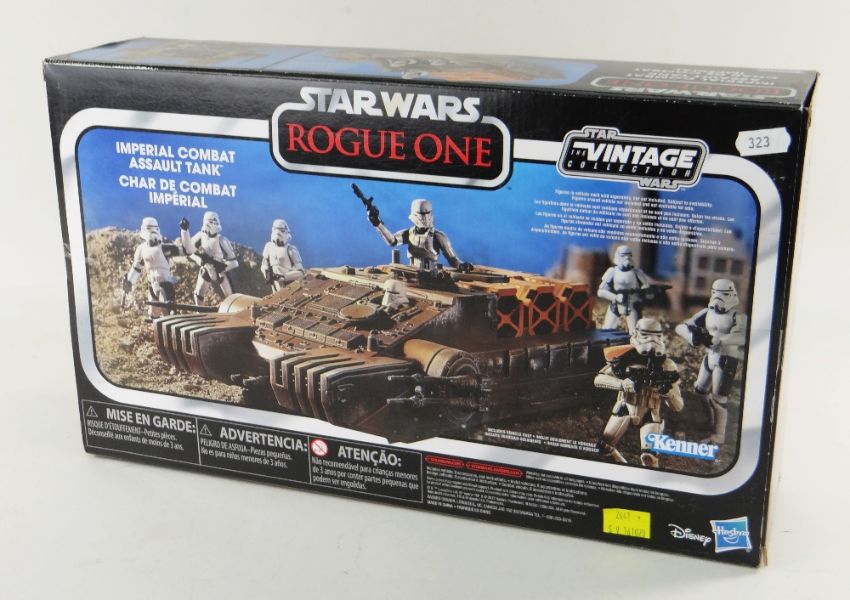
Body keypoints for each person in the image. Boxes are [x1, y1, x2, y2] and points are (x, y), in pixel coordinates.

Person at [595, 317, 684, 468]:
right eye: (646, 335)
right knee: (604, 448)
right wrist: (622, 384)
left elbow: (678, 406)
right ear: (635, 335)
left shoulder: (667, 365)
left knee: (649, 457)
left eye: (657, 336)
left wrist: (668, 393)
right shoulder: (625, 358)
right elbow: (598, 379)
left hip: (651, 414)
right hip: (624, 408)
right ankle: (625, 470)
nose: (652, 340)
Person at [675, 279, 747, 444]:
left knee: (719, 399)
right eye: (715, 293)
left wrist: (720, 340)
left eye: (723, 294)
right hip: (711, 356)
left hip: (726, 358)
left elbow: (741, 337)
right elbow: (682, 326)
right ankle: (711, 422)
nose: (718, 298)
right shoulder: (707, 313)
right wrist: (693, 337)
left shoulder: (738, 317)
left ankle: (718, 434)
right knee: (700, 390)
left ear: (732, 295)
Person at [367, 198, 472, 275]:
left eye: (427, 213)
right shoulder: (409, 233)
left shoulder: (438, 236)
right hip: (410, 274)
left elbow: (452, 258)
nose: (425, 217)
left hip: (431, 277)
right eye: (422, 213)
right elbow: (392, 241)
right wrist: (377, 223)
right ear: (415, 214)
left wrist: (461, 265)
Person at [121, 217, 181, 319]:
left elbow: (184, 251)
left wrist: (184, 231)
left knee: (168, 313)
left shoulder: (163, 246)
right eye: (149, 229)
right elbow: (136, 268)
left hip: (165, 285)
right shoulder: (142, 249)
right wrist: (129, 282)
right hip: (153, 285)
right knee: (153, 314)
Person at [179, 212, 238, 305]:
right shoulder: (201, 236)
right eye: (210, 223)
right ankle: (200, 311)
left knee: (230, 298)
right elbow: (188, 250)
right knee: (198, 295)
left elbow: (234, 262)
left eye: (213, 223)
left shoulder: (222, 240)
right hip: (206, 268)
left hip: (220, 272)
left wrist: (221, 267)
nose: (211, 226)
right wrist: (184, 231)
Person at [597, 245, 651, 333]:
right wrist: (615, 297)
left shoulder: (637, 272)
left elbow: (646, 287)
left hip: (632, 305)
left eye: (629, 256)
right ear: (617, 257)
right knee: (607, 330)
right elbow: (601, 292)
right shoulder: (612, 271)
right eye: (623, 256)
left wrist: (643, 292)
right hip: (616, 305)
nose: (627, 259)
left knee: (635, 333)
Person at [260, 219, 305, 291]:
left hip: (289, 286)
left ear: (286, 232)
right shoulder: (268, 247)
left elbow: (301, 272)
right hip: (274, 284)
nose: (277, 233)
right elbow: (264, 264)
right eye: (275, 230)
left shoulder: (291, 249)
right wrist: (267, 273)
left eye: (282, 231)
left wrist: (284, 277)